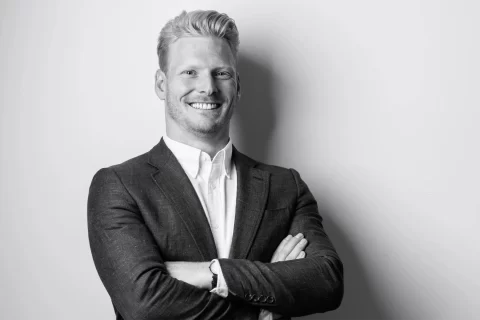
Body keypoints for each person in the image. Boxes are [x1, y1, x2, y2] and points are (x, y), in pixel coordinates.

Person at [87, 10, 343, 320]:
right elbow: (143, 304)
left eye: (221, 73)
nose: (207, 87)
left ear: (237, 86)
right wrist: (262, 305)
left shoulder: (286, 186)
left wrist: (214, 274)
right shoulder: (119, 185)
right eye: (190, 72)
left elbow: (327, 281)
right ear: (161, 84)